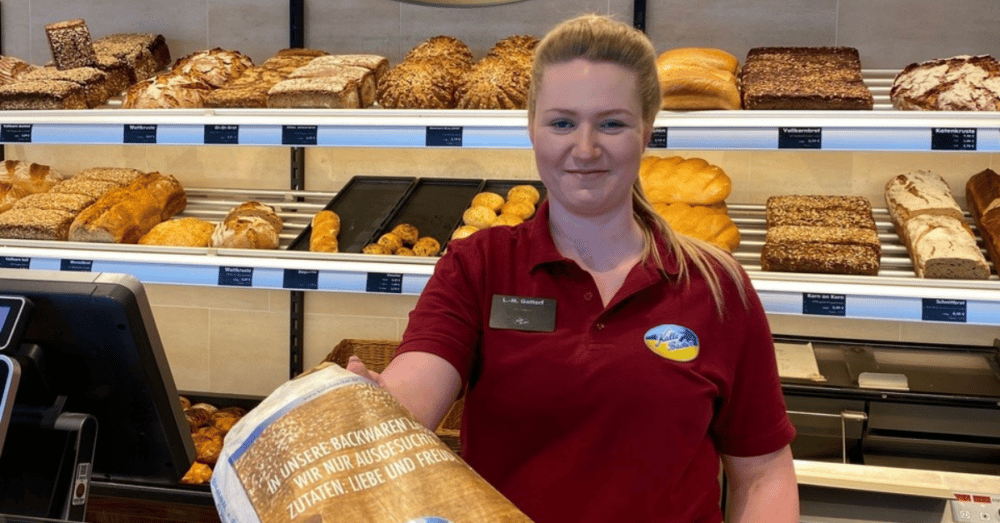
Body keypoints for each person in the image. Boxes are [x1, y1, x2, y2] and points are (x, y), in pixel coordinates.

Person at [348, 13, 799, 523]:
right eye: (562, 123)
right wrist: (371, 407)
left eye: (612, 123)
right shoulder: (479, 266)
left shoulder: (716, 286)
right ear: (532, 131)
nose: (585, 149)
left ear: (646, 132)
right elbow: (413, 394)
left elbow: (764, 472)